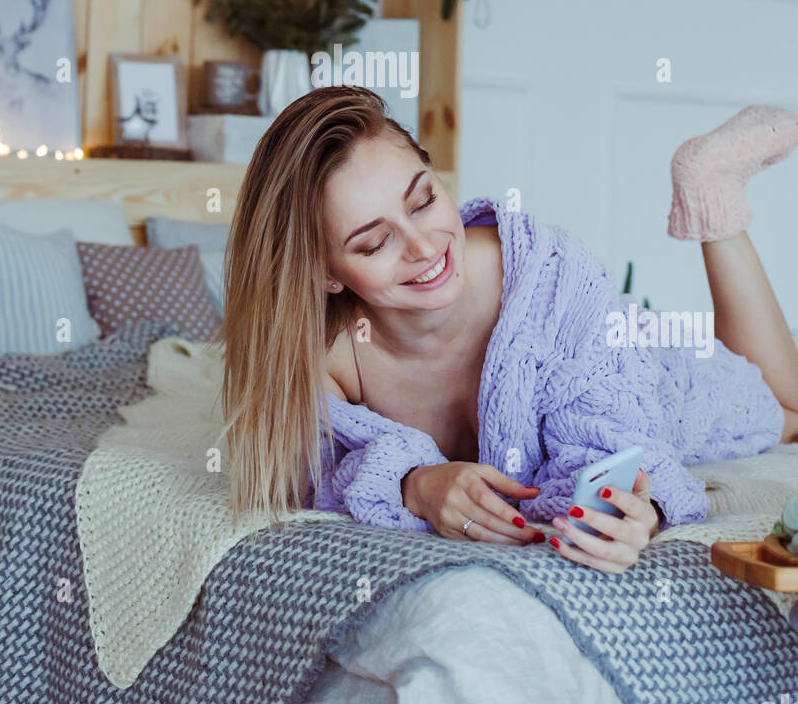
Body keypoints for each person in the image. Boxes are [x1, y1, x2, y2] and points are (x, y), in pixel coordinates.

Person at [220, 89, 798, 574]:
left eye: (423, 201)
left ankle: (709, 192)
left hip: (627, 360)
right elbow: (304, 476)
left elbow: (619, 445)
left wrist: (637, 510)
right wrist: (415, 484)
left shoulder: (547, 276)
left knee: (785, 412)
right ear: (322, 273)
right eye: (375, 242)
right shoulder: (323, 366)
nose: (424, 249)